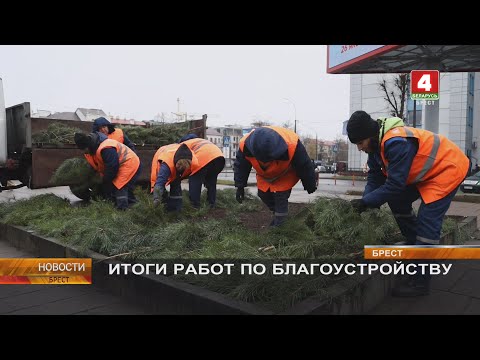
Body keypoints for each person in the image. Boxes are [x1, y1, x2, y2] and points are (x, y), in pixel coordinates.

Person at [346, 110, 469, 297]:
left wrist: (367, 202)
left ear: (370, 136)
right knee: (397, 201)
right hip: (427, 173)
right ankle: (415, 250)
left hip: (447, 169)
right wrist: (366, 201)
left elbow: (394, 184)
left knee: (427, 224)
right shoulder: (376, 146)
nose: (359, 148)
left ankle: (420, 283)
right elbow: (375, 177)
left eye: (360, 143)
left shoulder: (396, 143)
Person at [234, 125, 317, 226]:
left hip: (285, 174)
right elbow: (241, 165)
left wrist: (310, 184)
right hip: (264, 175)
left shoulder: (292, 145)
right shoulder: (245, 145)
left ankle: (280, 228)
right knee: (262, 194)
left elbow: (304, 165)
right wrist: (240, 186)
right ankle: (280, 215)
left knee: (280, 197)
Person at [152, 138, 225, 210]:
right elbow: (159, 183)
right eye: (179, 166)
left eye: (183, 167)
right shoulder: (167, 164)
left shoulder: (192, 158)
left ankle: (191, 208)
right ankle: (207, 206)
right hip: (218, 156)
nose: (180, 168)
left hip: (207, 156)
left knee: (189, 183)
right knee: (210, 183)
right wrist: (156, 198)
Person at [74, 132, 141, 210]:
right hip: (118, 165)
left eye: (84, 149)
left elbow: (112, 167)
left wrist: (105, 180)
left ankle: (122, 210)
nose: (83, 152)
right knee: (115, 188)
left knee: (119, 186)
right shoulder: (91, 150)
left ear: (88, 145)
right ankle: (134, 206)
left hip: (128, 163)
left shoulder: (106, 148)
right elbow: (97, 165)